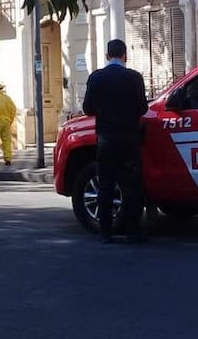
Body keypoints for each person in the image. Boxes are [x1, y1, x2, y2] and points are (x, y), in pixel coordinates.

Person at [82, 39, 149, 244]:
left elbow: (88, 108)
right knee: (131, 186)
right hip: (129, 139)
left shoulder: (96, 78)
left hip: (106, 140)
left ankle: (105, 232)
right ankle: (132, 231)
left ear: (106, 56)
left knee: (106, 185)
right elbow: (143, 108)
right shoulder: (134, 78)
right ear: (125, 56)